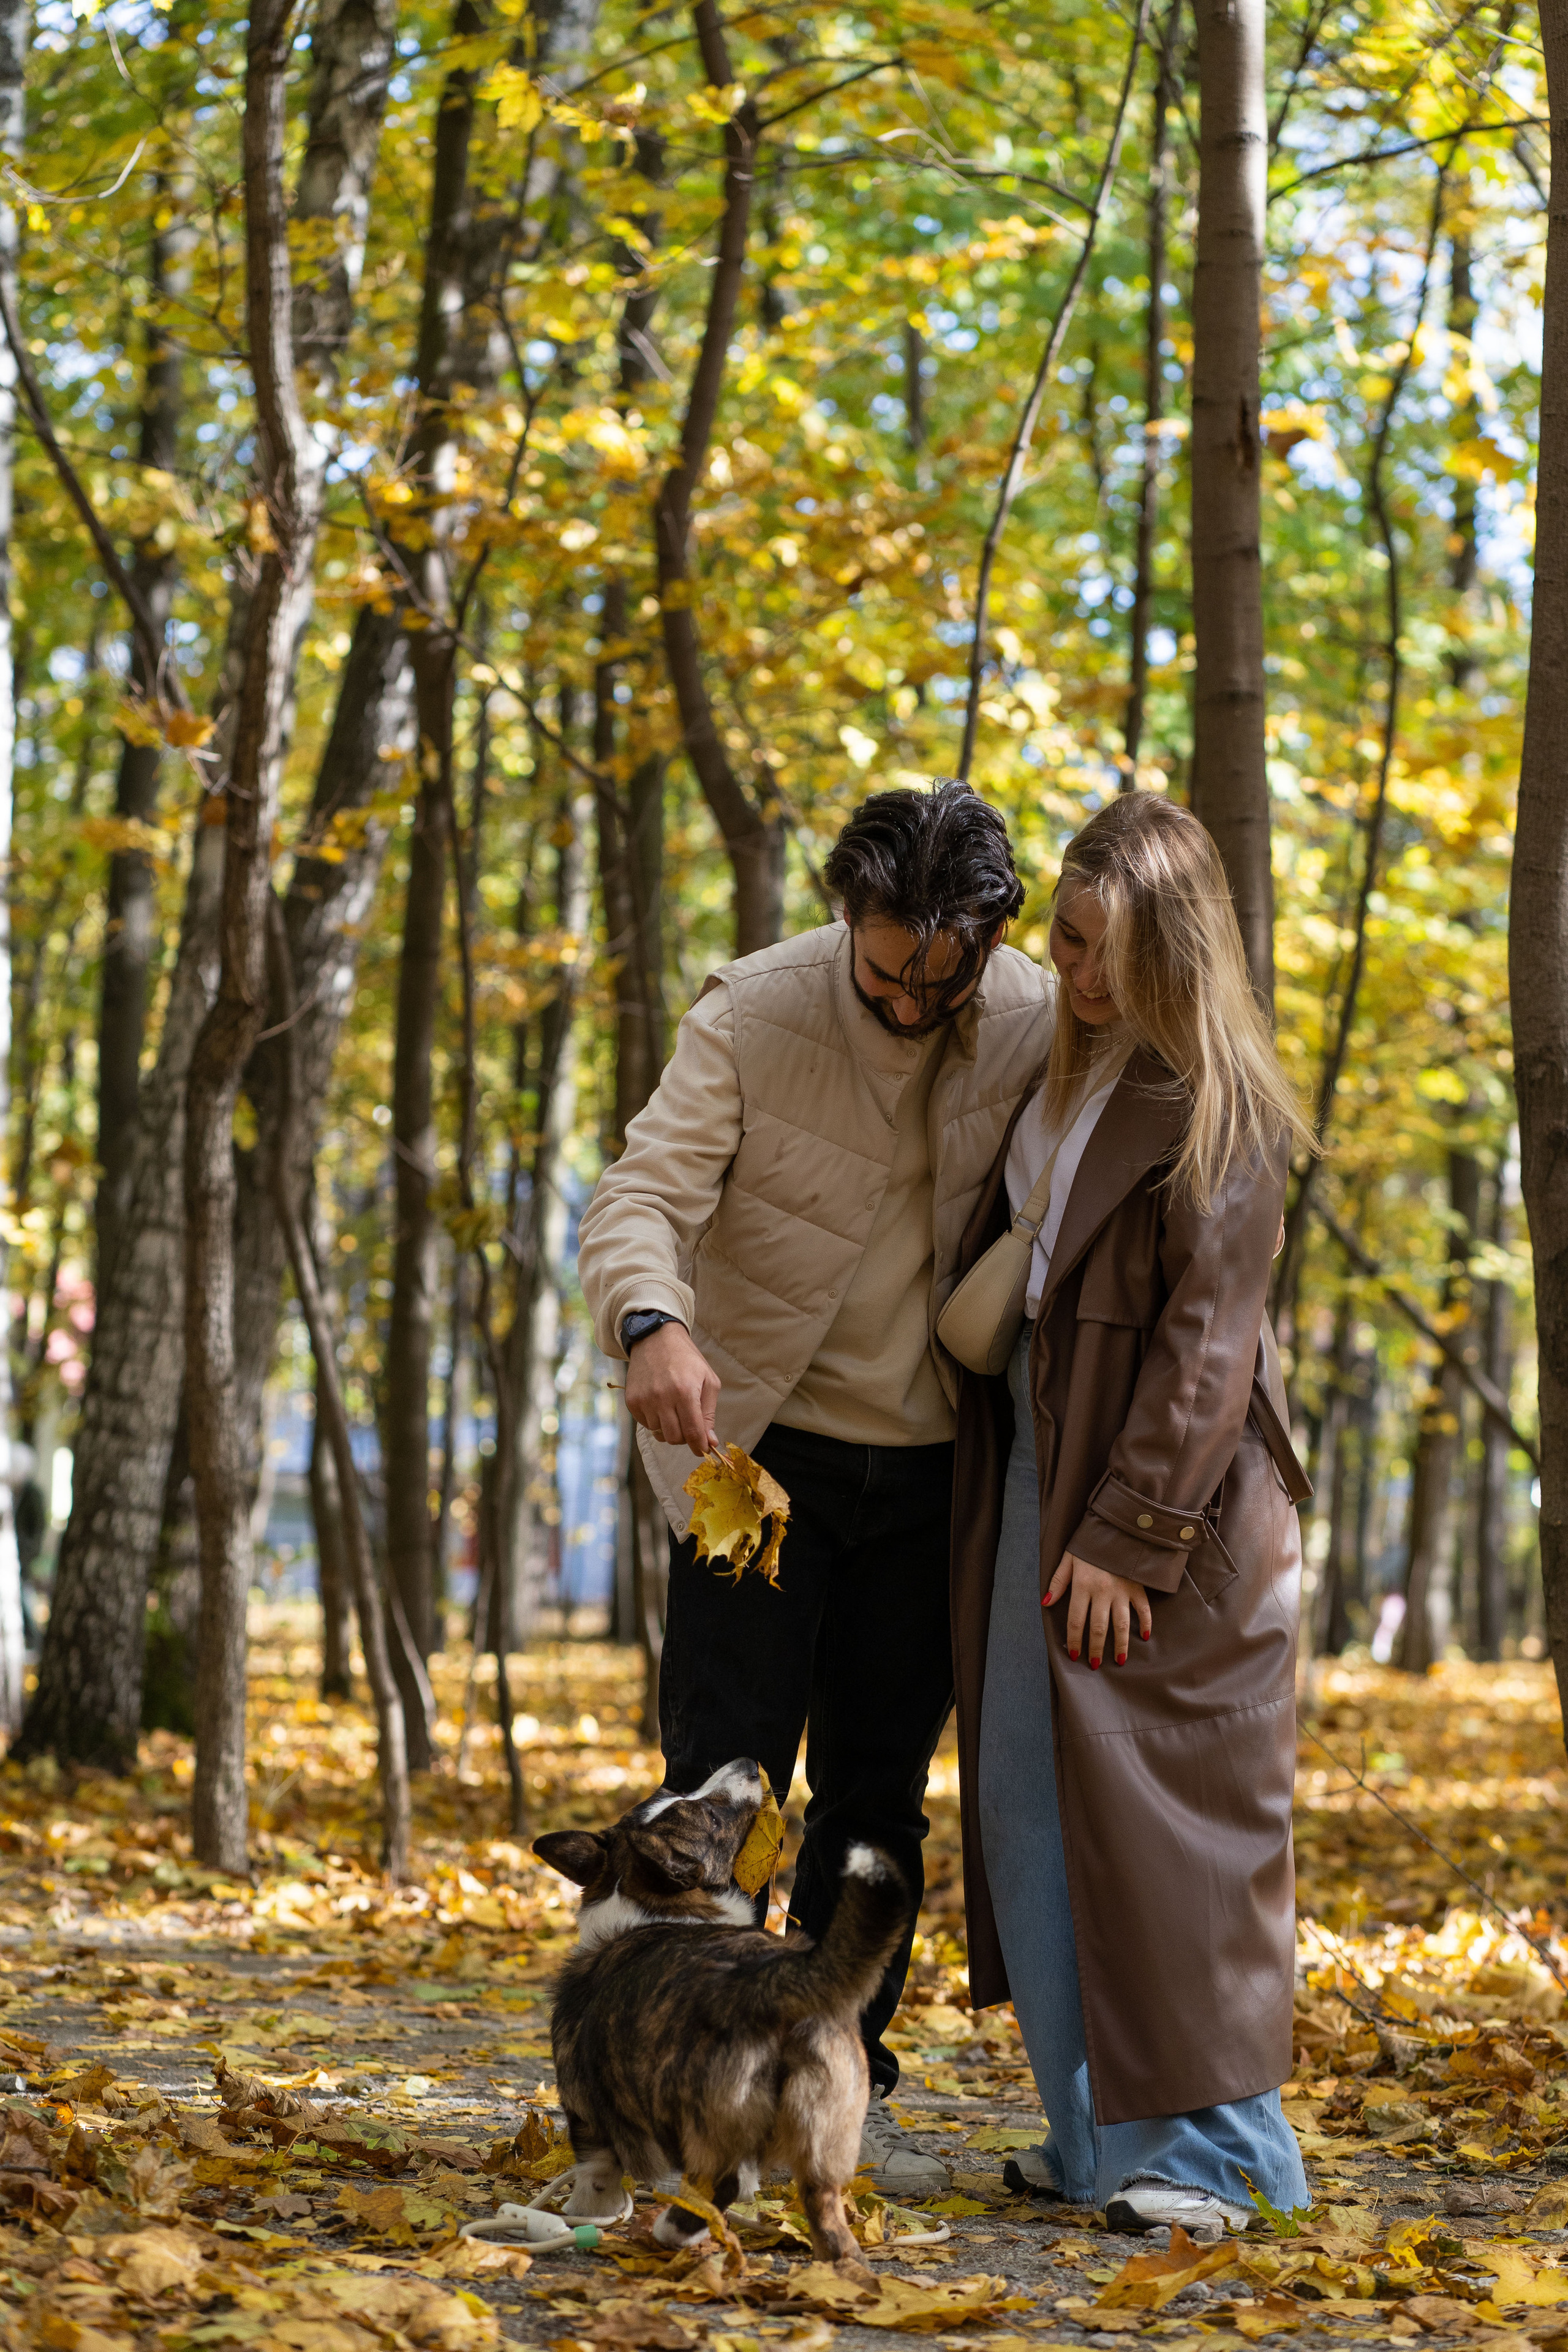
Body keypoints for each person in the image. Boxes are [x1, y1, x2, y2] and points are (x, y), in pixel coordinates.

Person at [578, 780, 1049, 2193]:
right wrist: (650, 1323)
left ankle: (842, 2077)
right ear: (848, 916)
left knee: (876, 1798)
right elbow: (639, 1197)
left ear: (984, 936)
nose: (912, 1003)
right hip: (754, 1463)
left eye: (940, 974)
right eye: (886, 969)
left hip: (928, 1475)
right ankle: (680, 2079)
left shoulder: (1032, 1008)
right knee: (721, 1779)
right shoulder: (754, 1011)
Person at [949, 793, 1314, 2240]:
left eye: (1105, 951)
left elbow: (1209, 1345)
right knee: (1030, 1803)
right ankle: (1096, 2132)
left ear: (1172, 949)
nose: (1077, 974)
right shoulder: (1068, 1067)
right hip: (1042, 1468)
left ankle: (1231, 2163)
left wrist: (1132, 1528)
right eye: (1064, 941)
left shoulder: (1217, 1103)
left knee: (1175, 1835)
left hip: (1162, 1502)